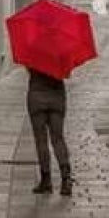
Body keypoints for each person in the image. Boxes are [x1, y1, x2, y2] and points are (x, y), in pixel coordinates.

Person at [27, 67, 73, 196]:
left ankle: (46, 180)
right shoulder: (60, 56)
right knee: (58, 138)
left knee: (41, 140)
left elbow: (29, 70)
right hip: (57, 99)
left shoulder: (31, 54)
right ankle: (66, 179)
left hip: (36, 99)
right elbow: (67, 72)